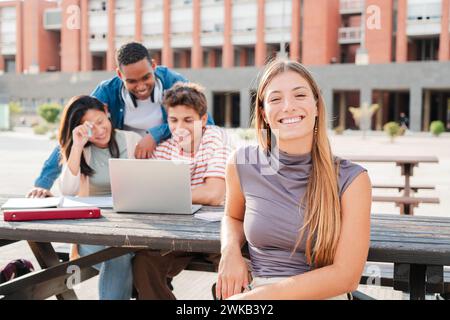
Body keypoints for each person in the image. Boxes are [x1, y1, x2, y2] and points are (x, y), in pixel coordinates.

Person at [216, 59, 372, 300]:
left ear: (317, 105)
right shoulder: (242, 163)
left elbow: (346, 276)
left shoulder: (352, 179)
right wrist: (230, 250)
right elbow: (232, 216)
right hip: (258, 291)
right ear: (264, 114)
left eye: (299, 95)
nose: (288, 106)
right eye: (275, 99)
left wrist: (251, 299)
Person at [27, 42, 214, 198]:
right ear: (119, 75)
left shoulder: (175, 81)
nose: (141, 86)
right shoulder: (107, 91)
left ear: (154, 66)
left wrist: (155, 134)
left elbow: (202, 124)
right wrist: (43, 183)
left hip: (166, 159)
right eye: (132, 81)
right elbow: (72, 130)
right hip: (128, 161)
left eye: (146, 77)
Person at [132, 82, 231, 300]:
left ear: (203, 120)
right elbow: (150, 192)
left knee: (238, 267)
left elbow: (214, 194)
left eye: (188, 120)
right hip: (176, 231)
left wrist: (166, 194)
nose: (180, 128)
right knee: (144, 262)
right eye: (173, 120)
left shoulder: (214, 138)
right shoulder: (165, 148)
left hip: (215, 232)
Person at [58, 95, 141, 300]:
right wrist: (77, 146)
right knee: (118, 256)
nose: (99, 130)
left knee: (118, 254)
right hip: (93, 230)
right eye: (90, 127)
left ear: (107, 113)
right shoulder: (83, 150)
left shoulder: (131, 141)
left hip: (131, 229)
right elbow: (67, 190)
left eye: (101, 122)